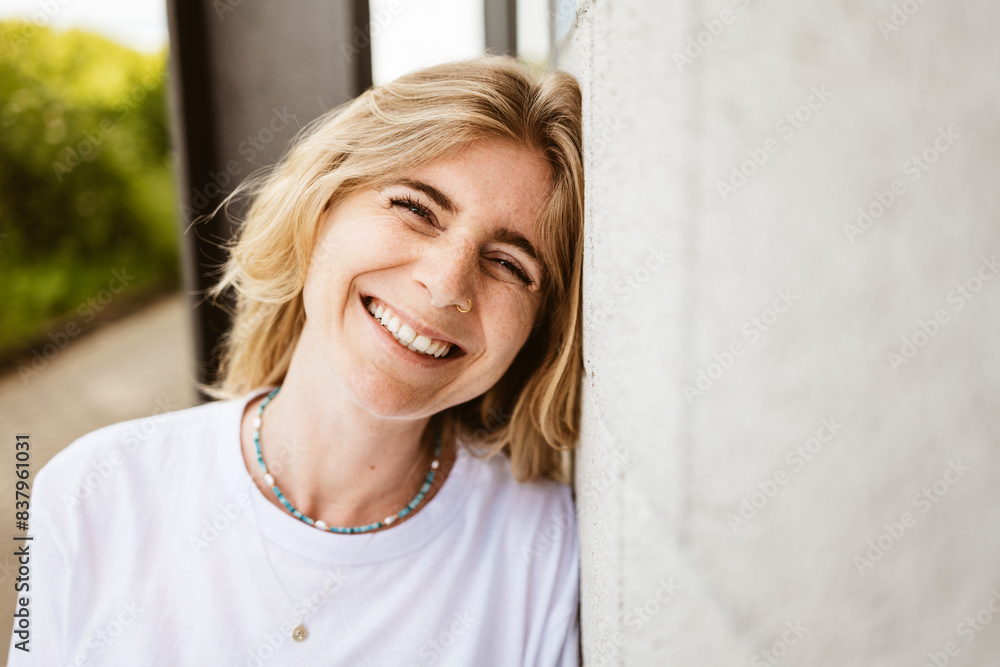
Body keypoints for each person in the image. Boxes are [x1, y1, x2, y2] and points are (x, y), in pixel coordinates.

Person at [7, 53, 584, 665]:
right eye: (417, 208)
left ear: (539, 330)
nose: (447, 285)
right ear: (320, 206)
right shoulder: (91, 496)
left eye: (509, 264)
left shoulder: (540, 548)